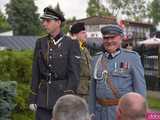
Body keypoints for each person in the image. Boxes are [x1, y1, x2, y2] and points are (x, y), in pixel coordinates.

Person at [28, 7, 81, 120]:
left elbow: (74, 75)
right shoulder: (40, 42)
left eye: (48, 21)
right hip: (43, 100)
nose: (44, 24)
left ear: (58, 22)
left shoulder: (71, 43)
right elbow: (35, 72)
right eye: (43, 21)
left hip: (62, 100)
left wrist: (68, 99)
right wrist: (33, 97)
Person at [89, 24, 146, 120]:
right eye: (106, 38)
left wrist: (140, 114)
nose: (109, 41)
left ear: (120, 38)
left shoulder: (132, 58)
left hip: (121, 113)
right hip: (99, 113)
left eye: (113, 37)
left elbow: (140, 89)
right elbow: (92, 90)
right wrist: (90, 112)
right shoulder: (96, 59)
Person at [70, 22, 92, 101]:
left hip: (86, 89)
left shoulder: (84, 49)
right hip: (76, 90)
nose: (86, 35)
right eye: (83, 33)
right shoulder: (71, 49)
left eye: (85, 33)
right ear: (75, 35)